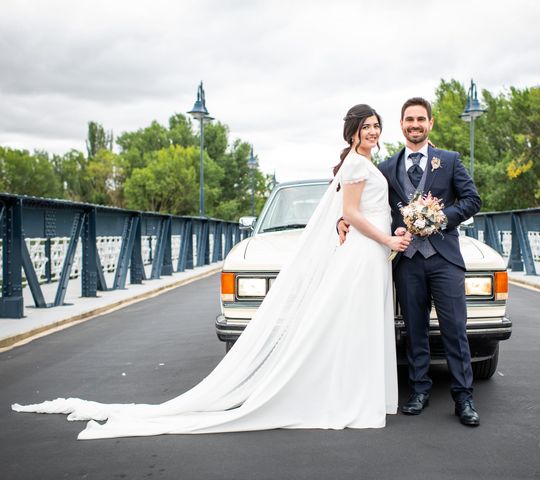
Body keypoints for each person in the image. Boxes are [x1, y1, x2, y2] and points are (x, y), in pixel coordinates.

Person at [12, 104, 411, 439]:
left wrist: (385, 233)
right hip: (366, 250)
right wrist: (386, 239)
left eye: (376, 126)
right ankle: (352, 397)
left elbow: (353, 214)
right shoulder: (357, 165)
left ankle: (361, 394)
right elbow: (350, 213)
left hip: (370, 250)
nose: (373, 132)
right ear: (352, 133)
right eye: (366, 127)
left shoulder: (362, 163)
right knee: (355, 323)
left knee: (360, 324)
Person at [339, 97, 482, 426]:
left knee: (455, 330)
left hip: (444, 257)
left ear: (430, 123)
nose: (415, 124)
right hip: (407, 259)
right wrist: (341, 220)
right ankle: (419, 390)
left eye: (421, 119)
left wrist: (440, 217)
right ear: (402, 125)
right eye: (408, 120)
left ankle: (464, 398)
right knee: (414, 329)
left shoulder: (449, 161)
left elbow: (473, 199)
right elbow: (360, 201)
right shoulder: (386, 167)